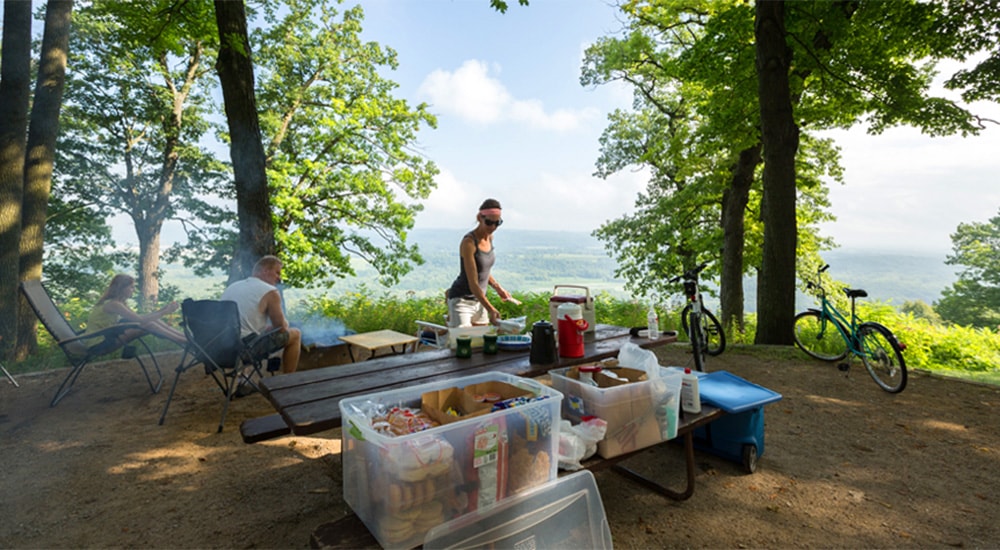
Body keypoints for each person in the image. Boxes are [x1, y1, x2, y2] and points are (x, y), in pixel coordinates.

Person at [220, 255, 301, 373]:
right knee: (296, 334)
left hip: (222, 347)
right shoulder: (270, 291)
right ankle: (289, 380)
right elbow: (281, 328)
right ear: (265, 271)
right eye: (277, 273)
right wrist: (284, 323)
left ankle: (245, 381)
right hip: (245, 349)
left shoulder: (233, 286)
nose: (279, 278)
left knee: (259, 333)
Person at [446, 198, 519, 327]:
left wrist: (498, 288)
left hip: (479, 300)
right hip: (461, 299)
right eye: (489, 222)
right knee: (463, 340)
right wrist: (491, 308)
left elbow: (483, 270)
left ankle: (442, 332)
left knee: (481, 342)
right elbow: (473, 283)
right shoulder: (469, 242)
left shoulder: (490, 238)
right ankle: (430, 333)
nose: (493, 227)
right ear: (480, 218)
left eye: (498, 223)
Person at [86, 274, 187, 345]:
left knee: (153, 320)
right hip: (99, 342)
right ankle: (183, 340)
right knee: (150, 324)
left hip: (107, 336)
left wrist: (163, 310)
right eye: (131, 287)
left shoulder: (118, 302)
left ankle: (185, 337)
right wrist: (165, 312)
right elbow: (141, 320)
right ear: (122, 288)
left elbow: (140, 318)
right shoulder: (114, 304)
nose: (133, 290)